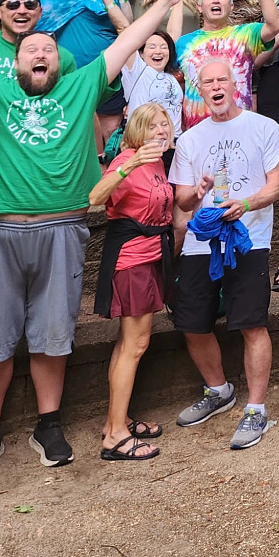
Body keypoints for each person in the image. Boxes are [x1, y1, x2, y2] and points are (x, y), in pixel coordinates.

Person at [0, 0, 185, 475]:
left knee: (54, 333)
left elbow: (129, 39)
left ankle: (49, 423)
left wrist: (166, 0)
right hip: (3, 230)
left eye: (48, 48)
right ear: (12, 61)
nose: (39, 52)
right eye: (30, 48)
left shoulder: (81, 86)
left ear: (60, 62)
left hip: (63, 227)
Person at [170, 56, 279, 450]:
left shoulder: (264, 127)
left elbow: (278, 186)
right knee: (192, 322)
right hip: (199, 243)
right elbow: (182, 201)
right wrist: (198, 191)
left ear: (235, 84)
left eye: (223, 79)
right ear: (200, 90)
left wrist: (248, 203)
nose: (216, 86)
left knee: (252, 324)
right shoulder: (189, 139)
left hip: (248, 240)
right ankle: (218, 390)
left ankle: (256, 409)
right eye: (208, 82)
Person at [89, 101, 175, 462]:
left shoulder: (158, 161)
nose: (161, 130)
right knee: (135, 346)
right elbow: (94, 198)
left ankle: (116, 422)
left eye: (165, 123)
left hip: (152, 255)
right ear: (137, 130)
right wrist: (129, 166)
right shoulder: (128, 159)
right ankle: (116, 438)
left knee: (127, 344)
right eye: (152, 125)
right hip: (132, 260)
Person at [172, 0, 279, 130]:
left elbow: (275, 25)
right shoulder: (183, 43)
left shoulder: (245, 33)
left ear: (231, 6)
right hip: (198, 129)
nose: (216, 1)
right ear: (200, 7)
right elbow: (178, 83)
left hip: (239, 127)